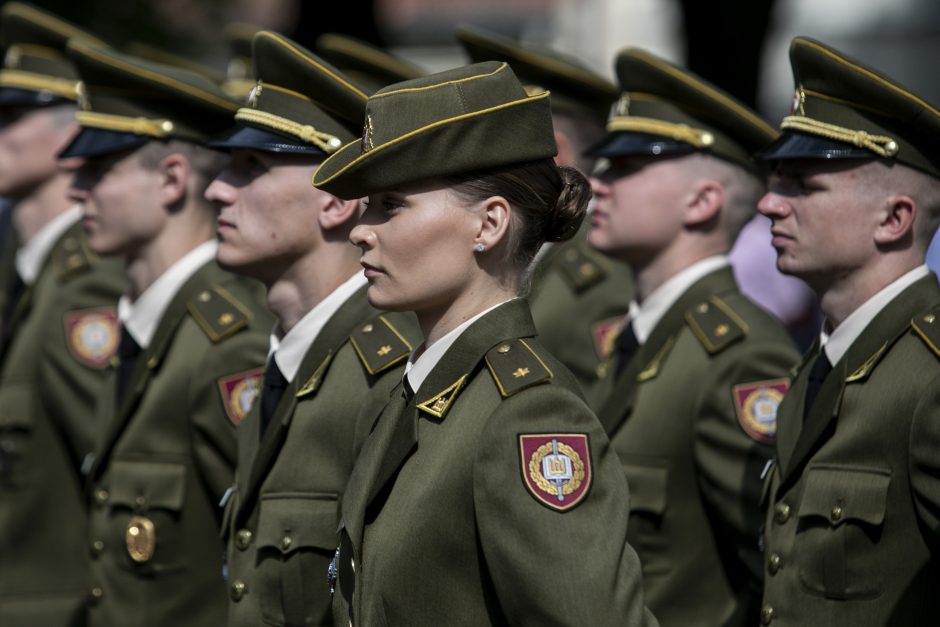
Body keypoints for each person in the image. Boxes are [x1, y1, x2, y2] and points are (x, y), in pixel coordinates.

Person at [312, 60, 656, 627]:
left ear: (489, 225)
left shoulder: (525, 414)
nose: (359, 228)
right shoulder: (405, 393)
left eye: (391, 205)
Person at [204, 30, 420, 627]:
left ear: (335, 202)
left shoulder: (391, 374)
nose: (217, 188)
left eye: (251, 166)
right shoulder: (284, 358)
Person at [586, 47, 800, 626]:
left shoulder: (739, 356)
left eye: (627, 167)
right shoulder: (640, 336)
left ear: (703, 201)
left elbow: (780, 571)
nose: (598, 183)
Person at [63, 42, 272, 627]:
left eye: (100, 170)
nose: (76, 189)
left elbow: (250, 557)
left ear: (172, 179)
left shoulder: (223, 343)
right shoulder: (143, 324)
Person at [756, 37, 940, 626]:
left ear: (894, 218)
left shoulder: (929, 377)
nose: (768, 204)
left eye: (801, 185)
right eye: (774, 180)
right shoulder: (823, 360)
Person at [0, 5, 126, 625]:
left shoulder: (86, 280)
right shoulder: (34, 270)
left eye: (9, 117)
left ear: (64, 135)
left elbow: (111, 469)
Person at [456, 25, 634, 404]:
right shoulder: (528, 252)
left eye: (490, 150)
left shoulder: (600, 280)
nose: (471, 167)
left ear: (556, 156)